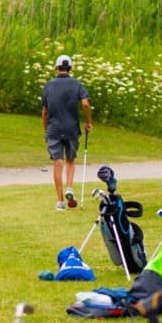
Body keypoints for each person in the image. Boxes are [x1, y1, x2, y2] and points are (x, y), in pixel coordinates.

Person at [41, 53, 92, 210]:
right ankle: (69, 186)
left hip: (54, 129)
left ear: (56, 68)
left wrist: (46, 130)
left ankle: (60, 201)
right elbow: (84, 103)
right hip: (71, 128)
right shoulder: (77, 84)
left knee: (58, 162)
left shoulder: (48, 85)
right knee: (70, 159)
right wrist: (89, 121)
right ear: (70, 68)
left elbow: (44, 111)